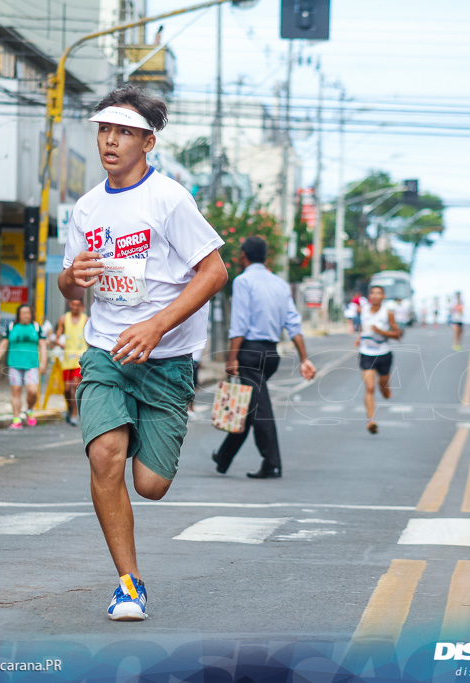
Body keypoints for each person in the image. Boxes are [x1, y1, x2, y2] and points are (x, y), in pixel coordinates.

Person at [59, 86, 228, 621]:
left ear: (148, 141)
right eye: (104, 130)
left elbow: (215, 271)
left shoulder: (170, 200)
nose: (110, 141)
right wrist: (71, 277)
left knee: (150, 486)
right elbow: (69, 287)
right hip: (107, 350)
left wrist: (157, 325)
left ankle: (140, 428)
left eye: (124, 132)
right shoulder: (86, 207)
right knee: (104, 454)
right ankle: (129, 585)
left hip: (167, 357)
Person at [212, 236, 316, 478]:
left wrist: (231, 358)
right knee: (252, 405)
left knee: (260, 410)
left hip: (249, 352)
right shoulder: (279, 284)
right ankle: (224, 457)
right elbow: (294, 324)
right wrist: (305, 358)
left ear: (243, 256)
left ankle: (272, 462)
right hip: (271, 354)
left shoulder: (243, 281)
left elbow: (239, 324)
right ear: (266, 257)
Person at [0, 304, 47, 429]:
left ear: (31, 314)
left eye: (28, 312)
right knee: (16, 392)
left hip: (32, 365)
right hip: (14, 364)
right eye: (23, 313)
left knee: (32, 391)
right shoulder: (12, 327)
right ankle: (16, 418)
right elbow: (4, 344)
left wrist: (43, 362)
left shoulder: (36, 327)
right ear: (19, 315)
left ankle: (29, 410)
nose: (25, 315)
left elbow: (43, 346)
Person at [357, 284, 402, 435]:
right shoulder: (363, 311)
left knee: (384, 390)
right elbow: (362, 328)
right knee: (369, 387)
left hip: (383, 354)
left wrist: (380, 331)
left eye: (378, 293)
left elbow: (397, 335)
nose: (375, 296)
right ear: (369, 296)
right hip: (366, 353)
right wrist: (359, 338)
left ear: (383, 297)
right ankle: (371, 421)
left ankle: (386, 390)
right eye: (372, 293)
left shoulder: (387, 313)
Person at [54, 299, 88, 426]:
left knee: (75, 385)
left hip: (80, 359)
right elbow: (57, 337)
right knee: (67, 388)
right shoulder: (64, 319)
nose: (75, 307)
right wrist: (58, 343)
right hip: (67, 358)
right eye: (73, 304)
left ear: (81, 306)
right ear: (70, 305)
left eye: (77, 305)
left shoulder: (86, 320)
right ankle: (70, 406)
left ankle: (74, 413)